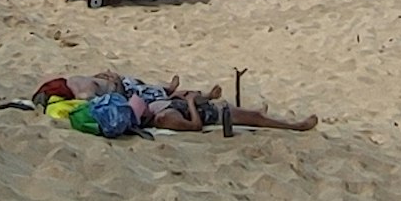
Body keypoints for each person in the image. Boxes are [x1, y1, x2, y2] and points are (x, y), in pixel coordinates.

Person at [30, 74, 318, 133]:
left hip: (174, 103)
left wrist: (185, 98)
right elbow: (193, 126)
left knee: (242, 113)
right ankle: (293, 126)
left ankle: (257, 115)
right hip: (195, 113)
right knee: (240, 115)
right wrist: (192, 102)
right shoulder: (162, 119)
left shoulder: (153, 110)